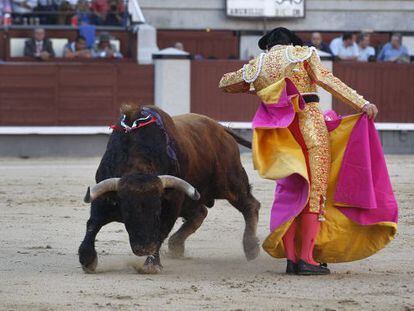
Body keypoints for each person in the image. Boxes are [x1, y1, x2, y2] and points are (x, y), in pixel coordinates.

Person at [219, 27, 398, 275]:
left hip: (282, 135)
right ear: (291, 43)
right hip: (310, 127)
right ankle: (306, 259)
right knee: (314, 193)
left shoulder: (257, 65)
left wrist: (257, 85)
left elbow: (225, 84)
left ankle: (292, 260)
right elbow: (327, 80)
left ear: (268, 46)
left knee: (291, 193)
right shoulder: (302, 54)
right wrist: (361, 102)